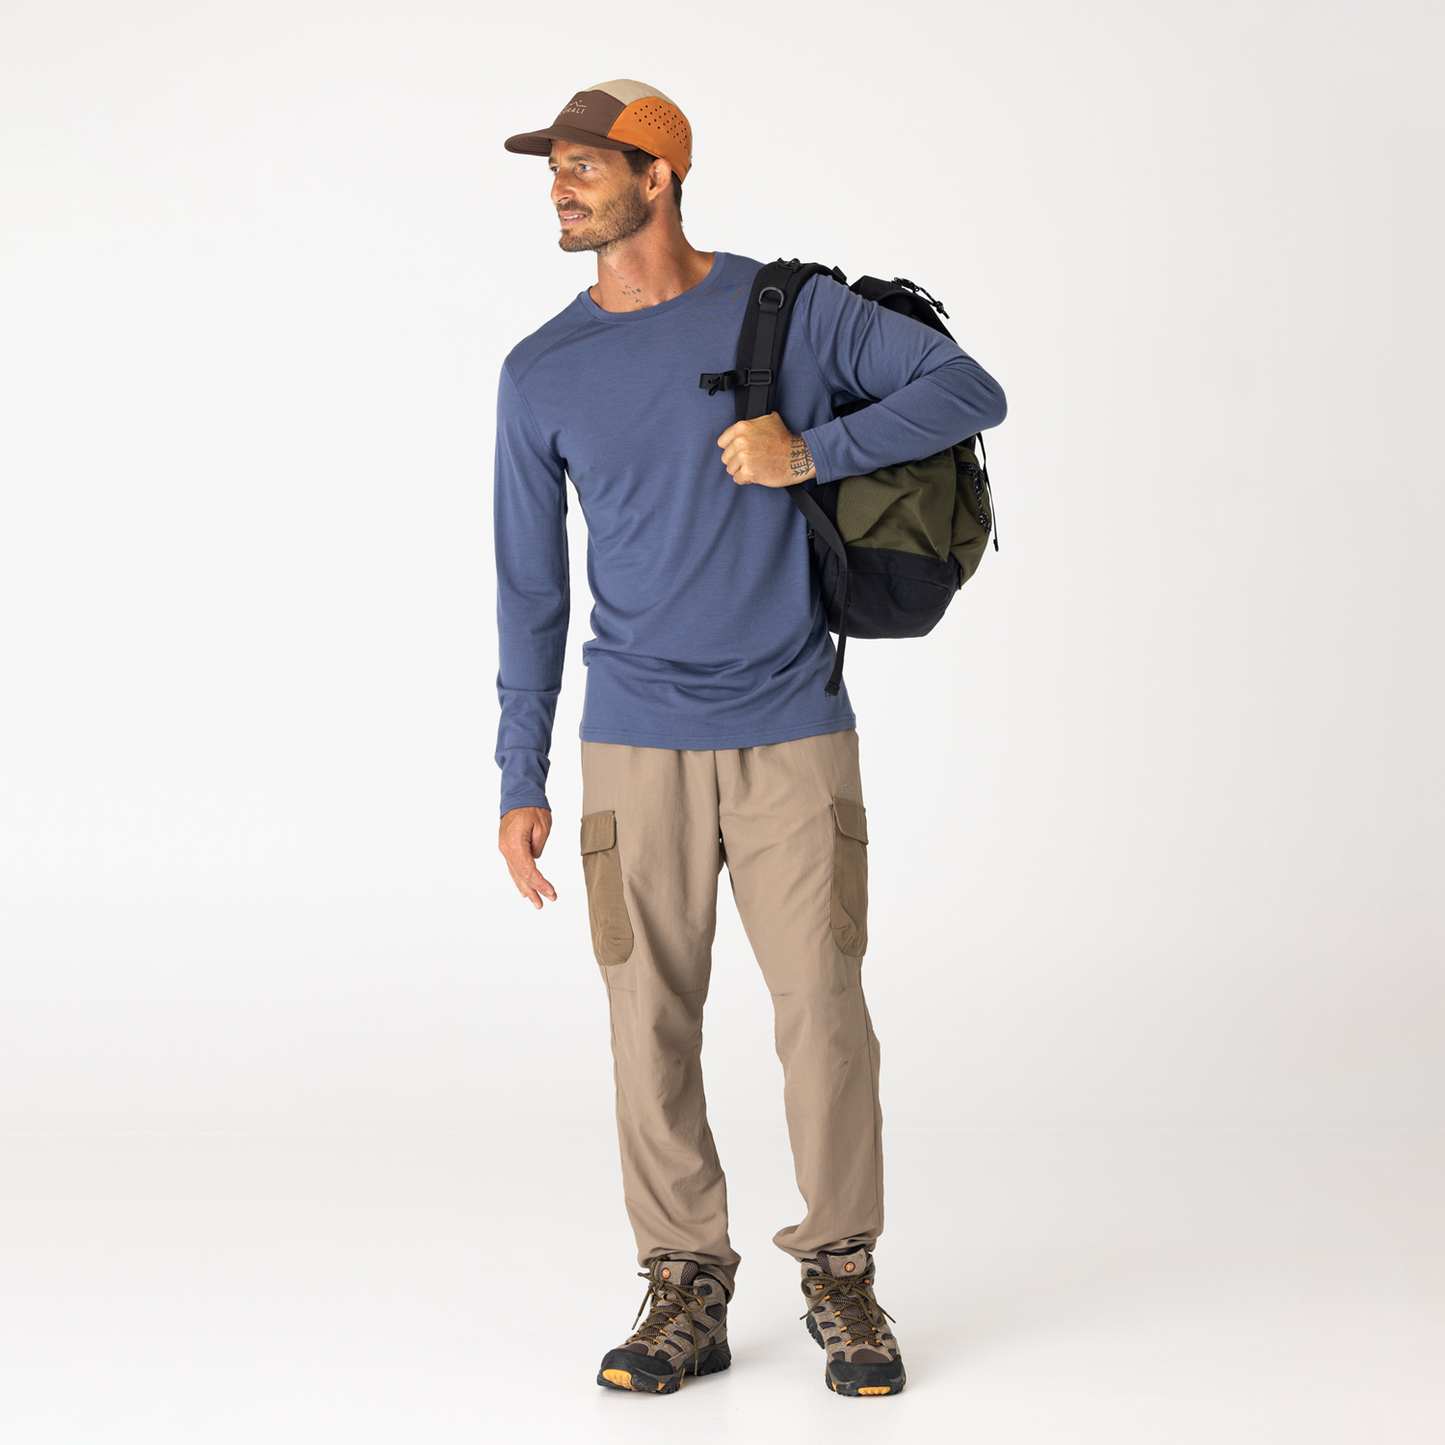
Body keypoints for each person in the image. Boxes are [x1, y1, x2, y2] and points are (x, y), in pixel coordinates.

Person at [494, 79, 1006, 1398]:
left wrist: (811, 453)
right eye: (553, 167)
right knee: (646, 1021)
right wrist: (518, 773)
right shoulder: (540, 371)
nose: (559, 187)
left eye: (584, 165)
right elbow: (531, 589)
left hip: (794, 731)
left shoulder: (789, 309)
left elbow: (969, 389)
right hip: (632, 745)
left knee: (823, 1014)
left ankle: (842, 1274)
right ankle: (685, 1283)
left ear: (658, 176)